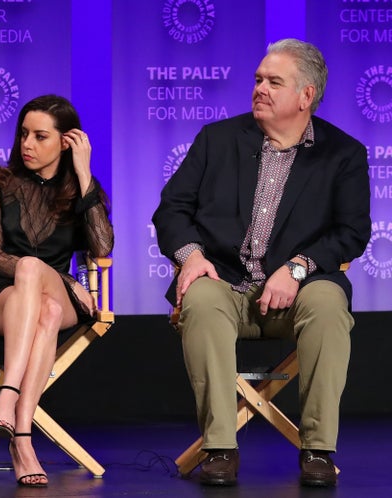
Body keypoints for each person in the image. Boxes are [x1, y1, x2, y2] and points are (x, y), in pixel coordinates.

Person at [153, 39, 370, 488]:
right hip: (227, 284)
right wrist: (191, 256)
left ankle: (318, 450)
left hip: (301, 290)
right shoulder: (218, 139)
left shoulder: (344, 154)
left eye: (274, 82)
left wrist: (298, 268)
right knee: (201, 297)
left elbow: (352, 233)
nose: (260, 89)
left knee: (330, 306)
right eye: (257, 80)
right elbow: (171, 208)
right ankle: (219, 447)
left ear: (306, 96)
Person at [0, 95, 114, 487]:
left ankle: (6, 399)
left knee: (42, 286)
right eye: (23, 134)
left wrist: (84, 175)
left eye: (40, 136)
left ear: (66, 142)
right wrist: (62, 278)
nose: (26, 144)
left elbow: (101, 249)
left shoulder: (82, 189)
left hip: (58, 293)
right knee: (43, 304)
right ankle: (23, 440)